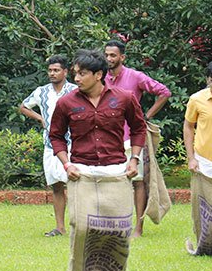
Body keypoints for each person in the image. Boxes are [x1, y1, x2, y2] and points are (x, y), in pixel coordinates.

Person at [104, 38, 172, 236]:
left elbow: (164, 92)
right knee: (112, 181)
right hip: (109, 137)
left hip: (132, 137)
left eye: (113, 55)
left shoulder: (135, 76)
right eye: (106, 55)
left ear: (122, 57)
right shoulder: (101, 78)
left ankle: (138, 227)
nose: (109, 59)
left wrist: (146, 116)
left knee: (138, 181)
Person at [49, 50, 146, 181]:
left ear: (98, 75)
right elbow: (56, 136)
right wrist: (67, 165)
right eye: (76, 73)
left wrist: (134, 159)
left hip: (116, 170)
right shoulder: (65, 102)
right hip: (80, 172)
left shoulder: (125, 98)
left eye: (82, 74)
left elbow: (139, 128)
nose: (77, 78)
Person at [19, 54, 77, 236]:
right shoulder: (42, 91)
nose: (52, 73)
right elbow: (23, 106)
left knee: (76, 186)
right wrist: (40, 118)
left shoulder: (75, 90)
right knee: (56, 185)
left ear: (65, 71)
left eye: (56, 70)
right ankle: (60, 227)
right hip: (50, 144)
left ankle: (79, 225)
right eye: (50, 70)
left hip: (74, 143)